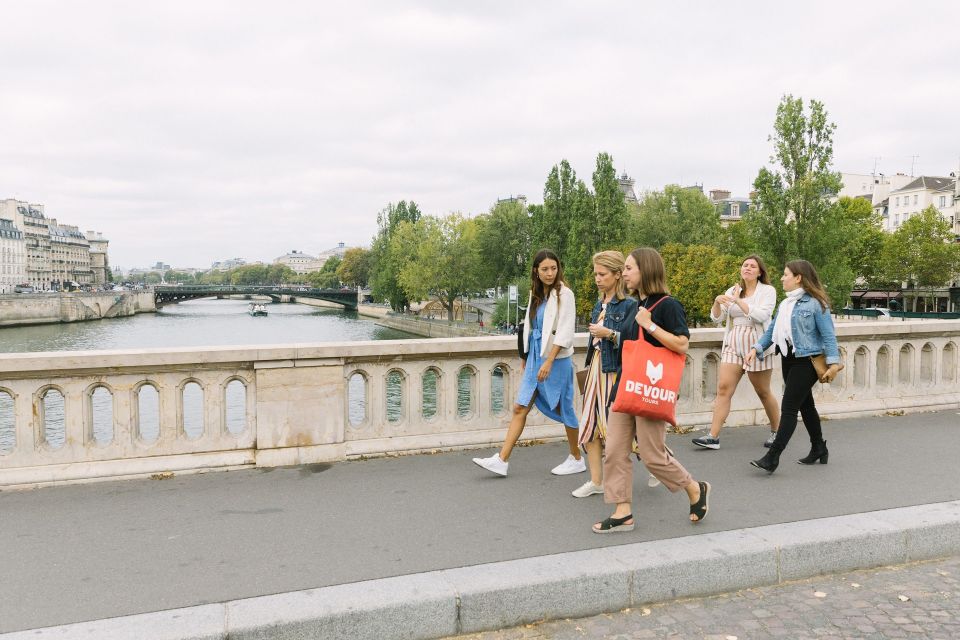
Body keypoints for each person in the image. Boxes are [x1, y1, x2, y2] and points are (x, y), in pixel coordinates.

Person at [594, 248, 711, 533]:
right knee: (614, 451)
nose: (625, 273)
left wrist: (650, 325)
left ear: (646, 271)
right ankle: (622, 512)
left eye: (630, 268)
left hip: (650, 389)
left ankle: (694, 487)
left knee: (651, 455)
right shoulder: (637, 304)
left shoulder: (668, 305)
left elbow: (682, 344)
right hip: (626, 387)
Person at [473, 249, 582, 477]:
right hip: (535, 357)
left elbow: (565, 332)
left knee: (564, 407)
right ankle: (502, 460)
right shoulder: (536, 293)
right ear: (536, 271)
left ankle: (577, 456)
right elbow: (530, 327)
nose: (550, 273)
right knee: (520, 406)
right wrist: (526, 357)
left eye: (554, 268)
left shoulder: (565, 294)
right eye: (545, 269)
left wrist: (549, 362)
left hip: (555, 360)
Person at [746, 259, 841, 473]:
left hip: (807, 361)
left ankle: (773, 457)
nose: (782, 278)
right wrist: (756, 348)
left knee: (789, 408)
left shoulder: (817, 303)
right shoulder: (785, 304)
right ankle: (819, 447)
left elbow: (828, 336)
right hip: (788, 359)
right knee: (806, 406)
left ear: (798, 278)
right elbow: (771, 332)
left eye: (786, 274)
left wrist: (833, 364)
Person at [693, 255, 780, 450]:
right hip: (733, 342)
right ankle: (713, 437)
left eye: (752, 266)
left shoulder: (768, 291)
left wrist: (738, 301)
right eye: (745, 265)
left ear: (760, 272)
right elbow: (717, 318)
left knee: (763, 391)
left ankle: (777, 431)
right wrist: (717, 302)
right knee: (723, 388)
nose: (747, 268)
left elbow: (762, 315)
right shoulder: (732, 290)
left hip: (757, 343)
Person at [572, 251, 638, 498]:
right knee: (589, 424)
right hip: (597, 371)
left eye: (602, 274)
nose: (596, 279)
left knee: (622, 431)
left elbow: (634, 342)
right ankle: (597, 481)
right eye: (595, 274)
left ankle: (659, 463)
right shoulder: (599, 304)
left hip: (615, 374)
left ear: (617, 275)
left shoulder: (630, 305)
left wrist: (609, 334)